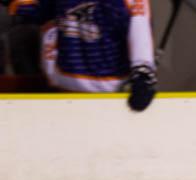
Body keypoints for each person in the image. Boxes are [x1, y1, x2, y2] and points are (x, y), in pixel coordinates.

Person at [10, 0, 156, 111]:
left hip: (110, 97)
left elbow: (139, 25)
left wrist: (142, 72)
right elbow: (41, 10)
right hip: (62, 92)